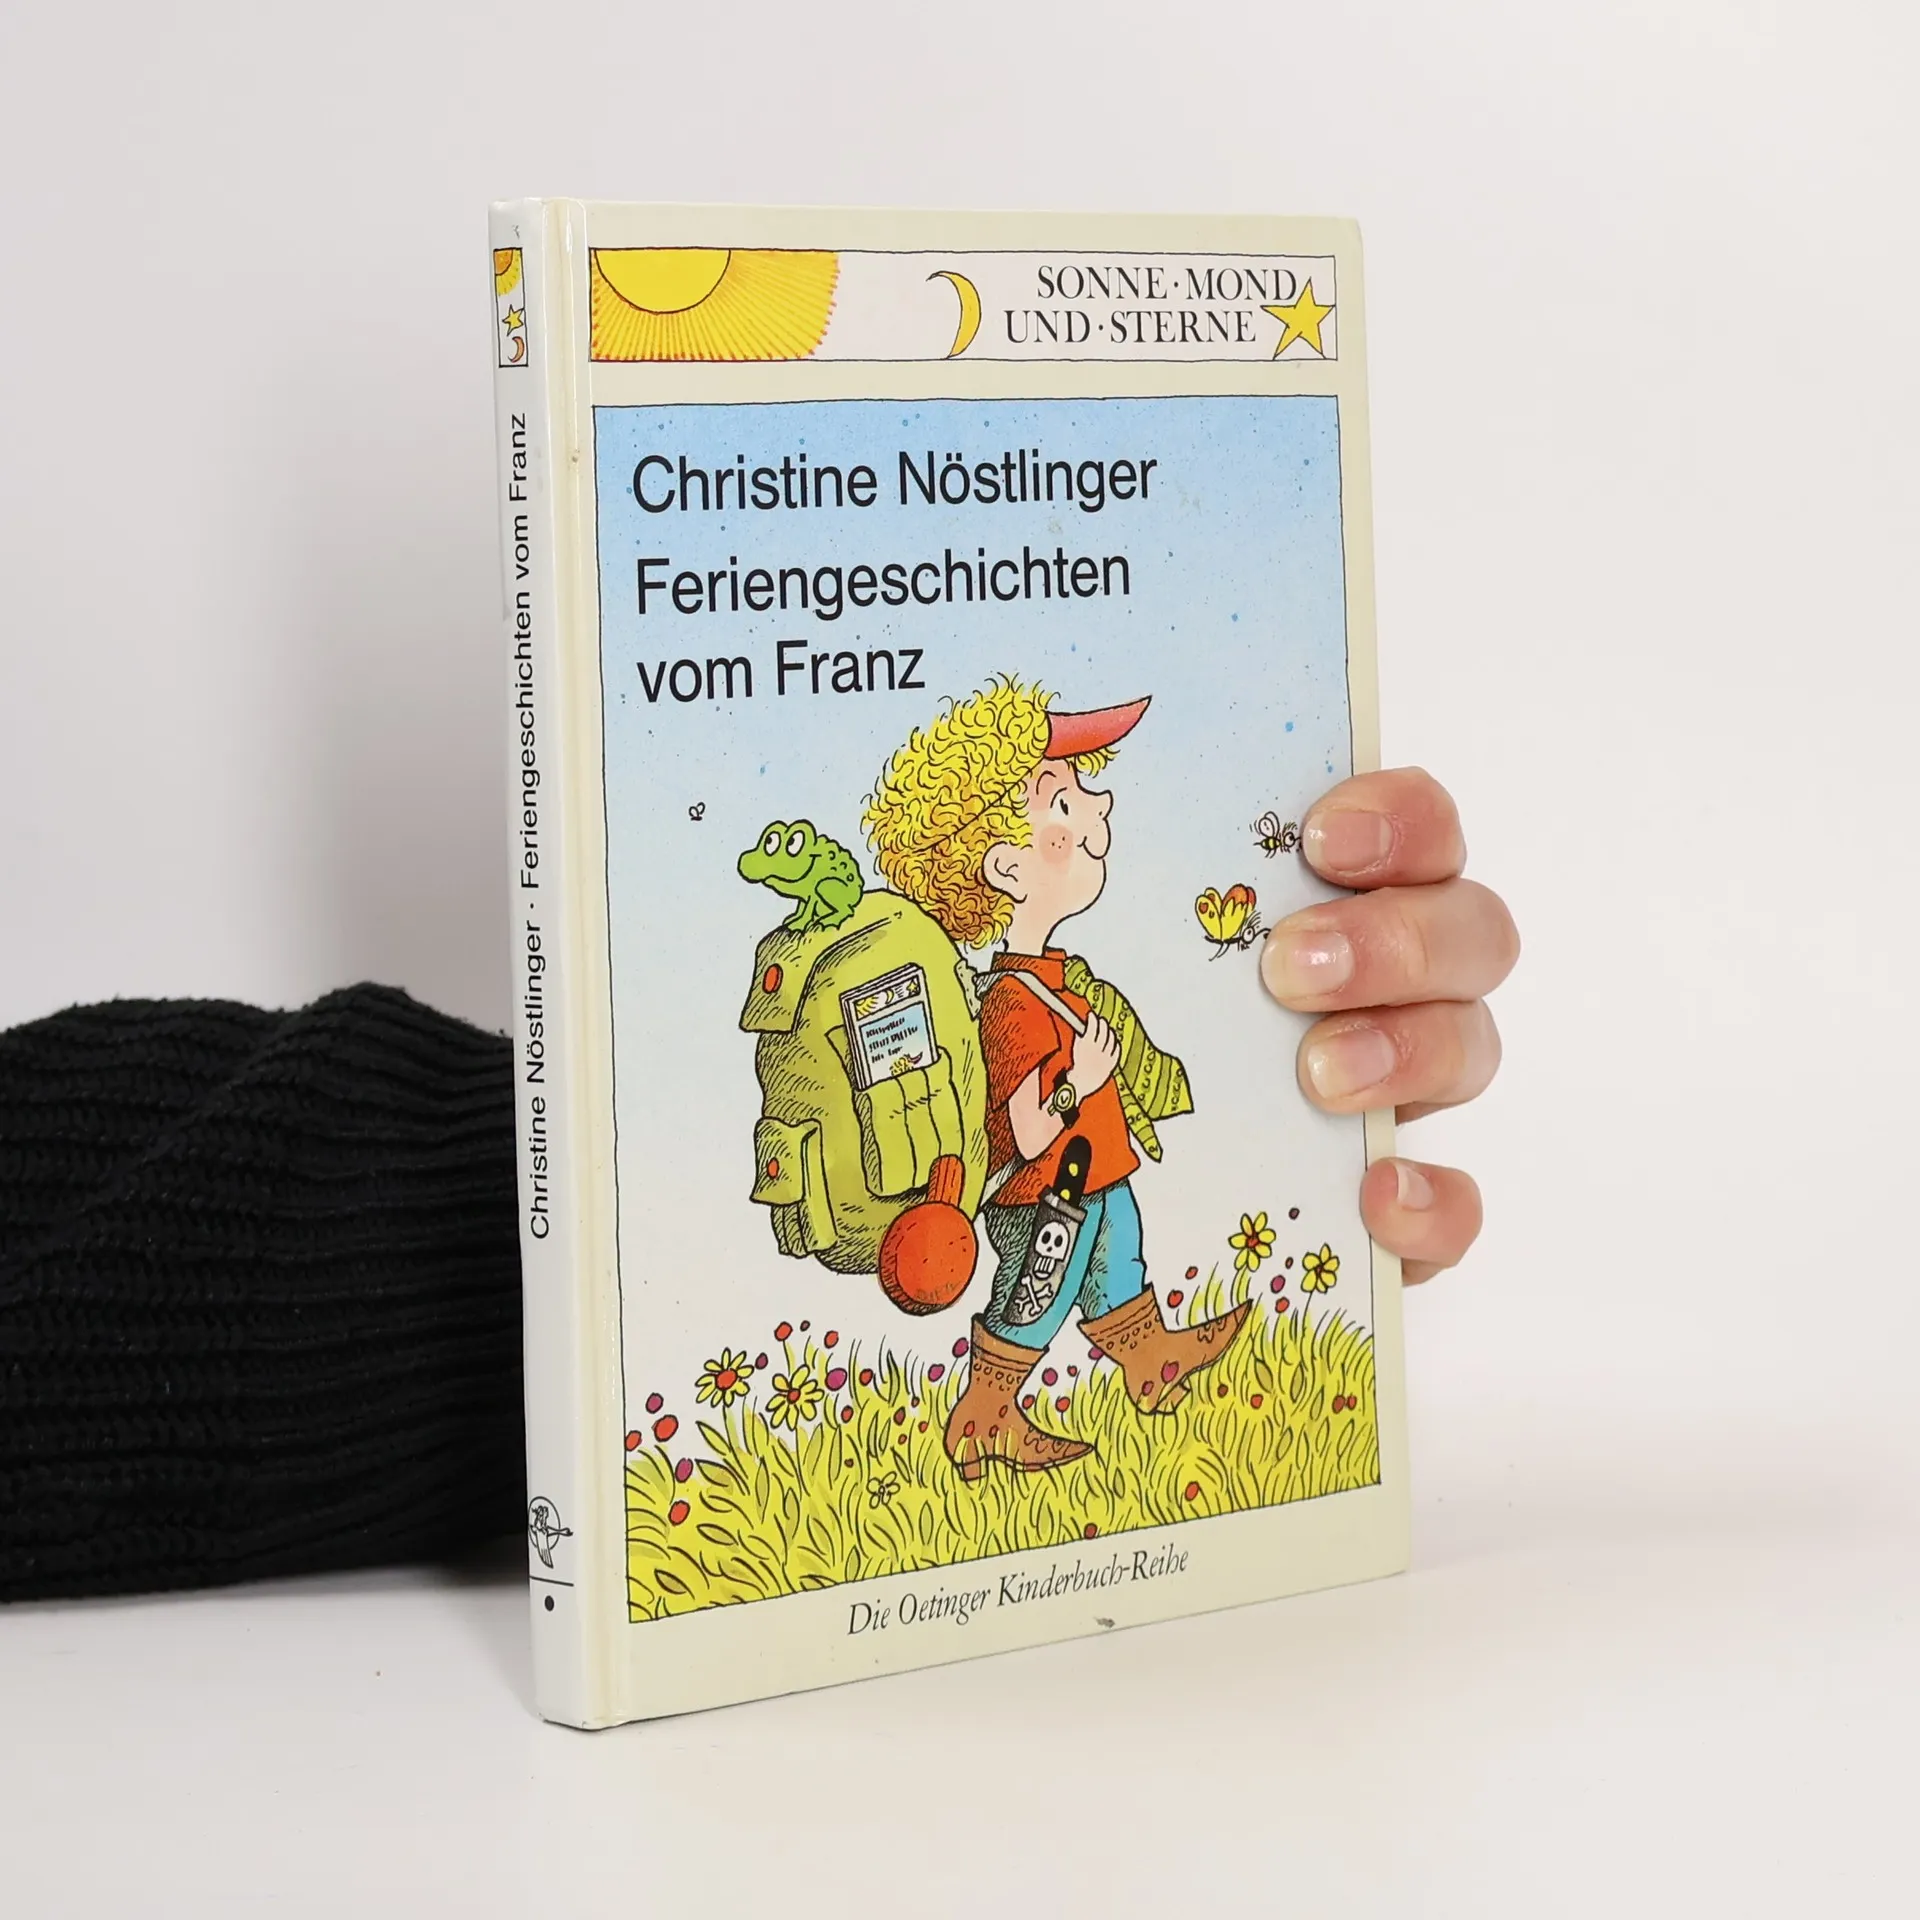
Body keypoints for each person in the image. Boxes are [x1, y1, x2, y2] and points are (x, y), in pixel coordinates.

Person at [864, 678, 1518, 1481]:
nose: (1099, 805)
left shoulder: (1053, 980)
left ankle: (1151, 1361)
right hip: (1044, 1195)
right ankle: (985, 1417)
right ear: (1005, 866)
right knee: (1039, 1292)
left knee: (1115, 1262)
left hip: (1091, 1177)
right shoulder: (1011, 1004)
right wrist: (1082, 1078)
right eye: (1063, 801)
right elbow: (1027, 1131)